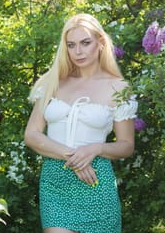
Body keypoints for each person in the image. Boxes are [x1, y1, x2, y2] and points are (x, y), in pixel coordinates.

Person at [24, 13, 138, 233]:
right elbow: (32, 135)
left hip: (95, 179)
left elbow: (126, 145)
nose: (78, 51)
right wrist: (74, 157)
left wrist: (96, 148)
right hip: (56, 180)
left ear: (100, 43)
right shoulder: (52, 83)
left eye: (85, 43)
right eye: (71, 45)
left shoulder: (118, 88)